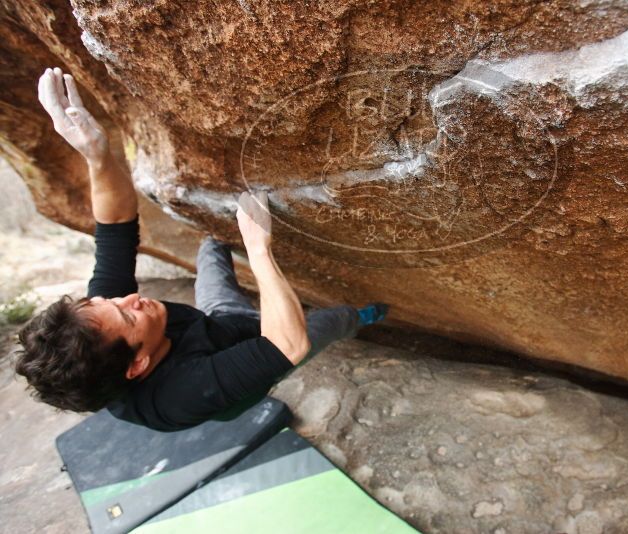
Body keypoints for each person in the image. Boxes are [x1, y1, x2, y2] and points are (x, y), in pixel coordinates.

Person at [14, 67, 389, 431]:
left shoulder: (100, 329)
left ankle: (225, 247)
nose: (129, 299)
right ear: (138, 366)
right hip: (253, 351)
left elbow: (114, 226)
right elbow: (287, 344)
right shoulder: (179, 396)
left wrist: (96, 154)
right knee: (330, 321)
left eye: (107, 302)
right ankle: (365, 316)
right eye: (127, 316)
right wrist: (259, 250)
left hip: (217, 322)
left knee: (211, 248)